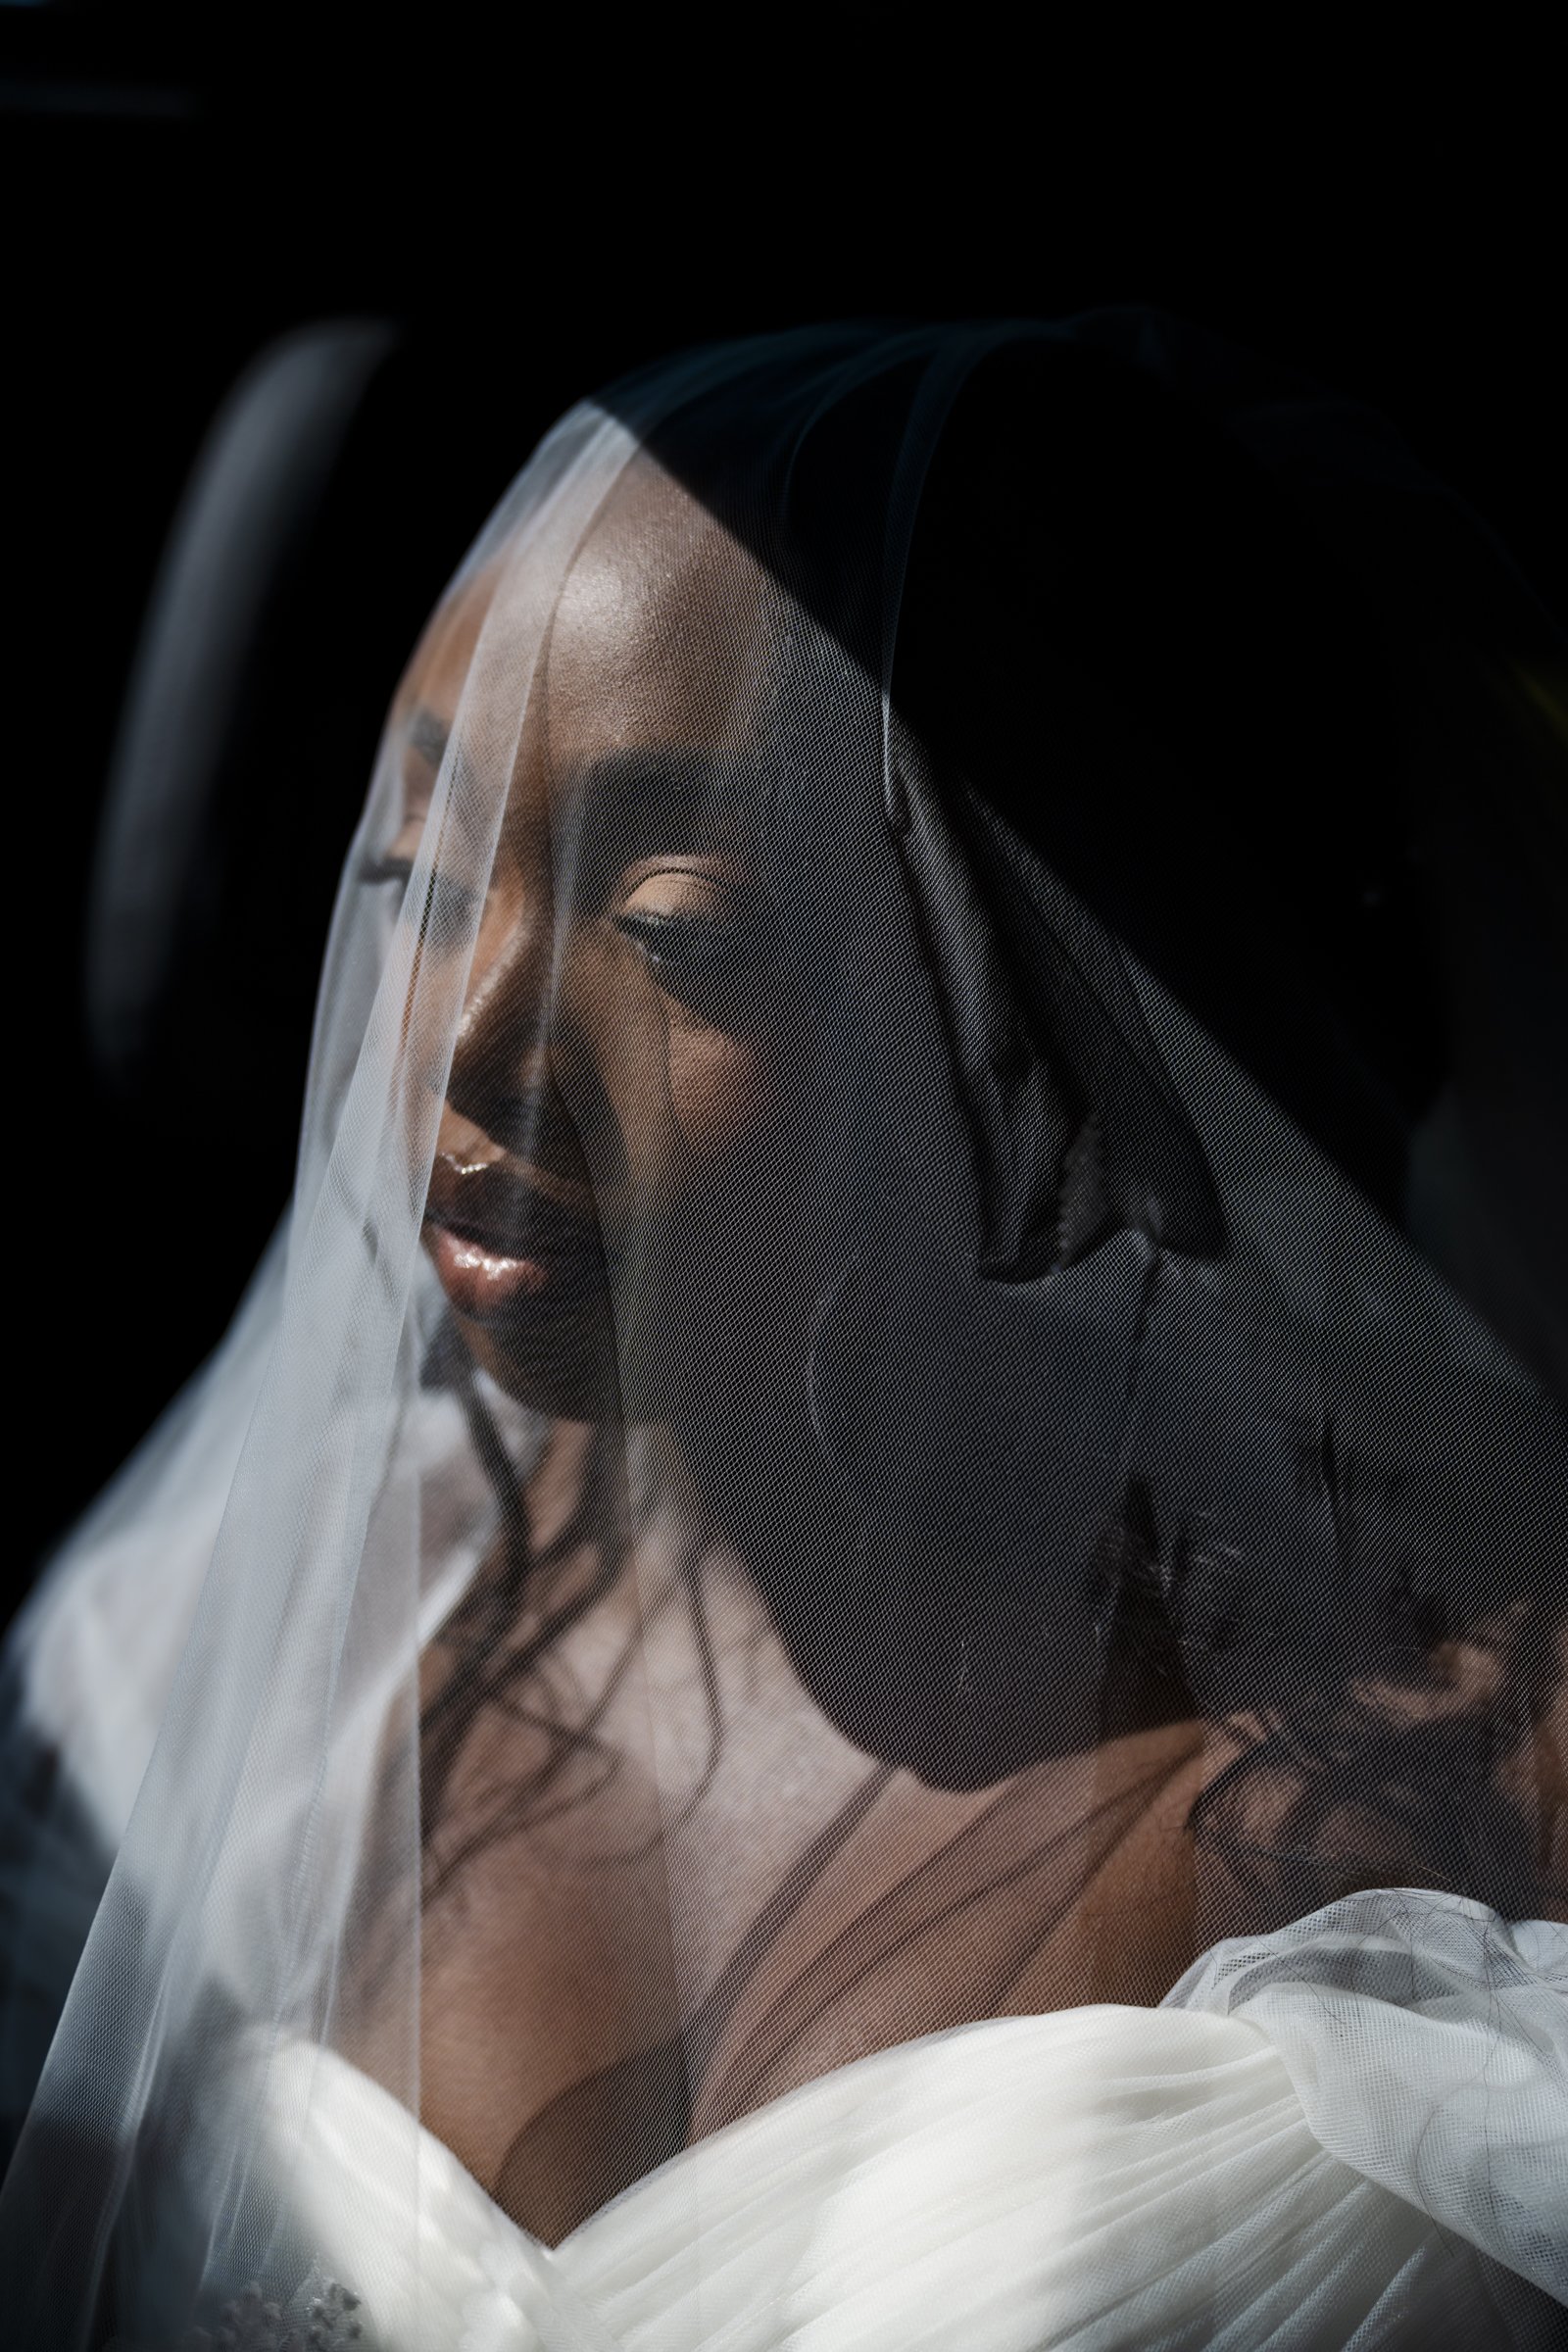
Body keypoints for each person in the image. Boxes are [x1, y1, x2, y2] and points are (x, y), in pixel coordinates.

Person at [0, 313, 1562, 2350]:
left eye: (675, 932)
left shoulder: (1477, 1757)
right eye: (422, 880)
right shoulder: (232, 1639)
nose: (469, 1053)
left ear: (1050, 1023)